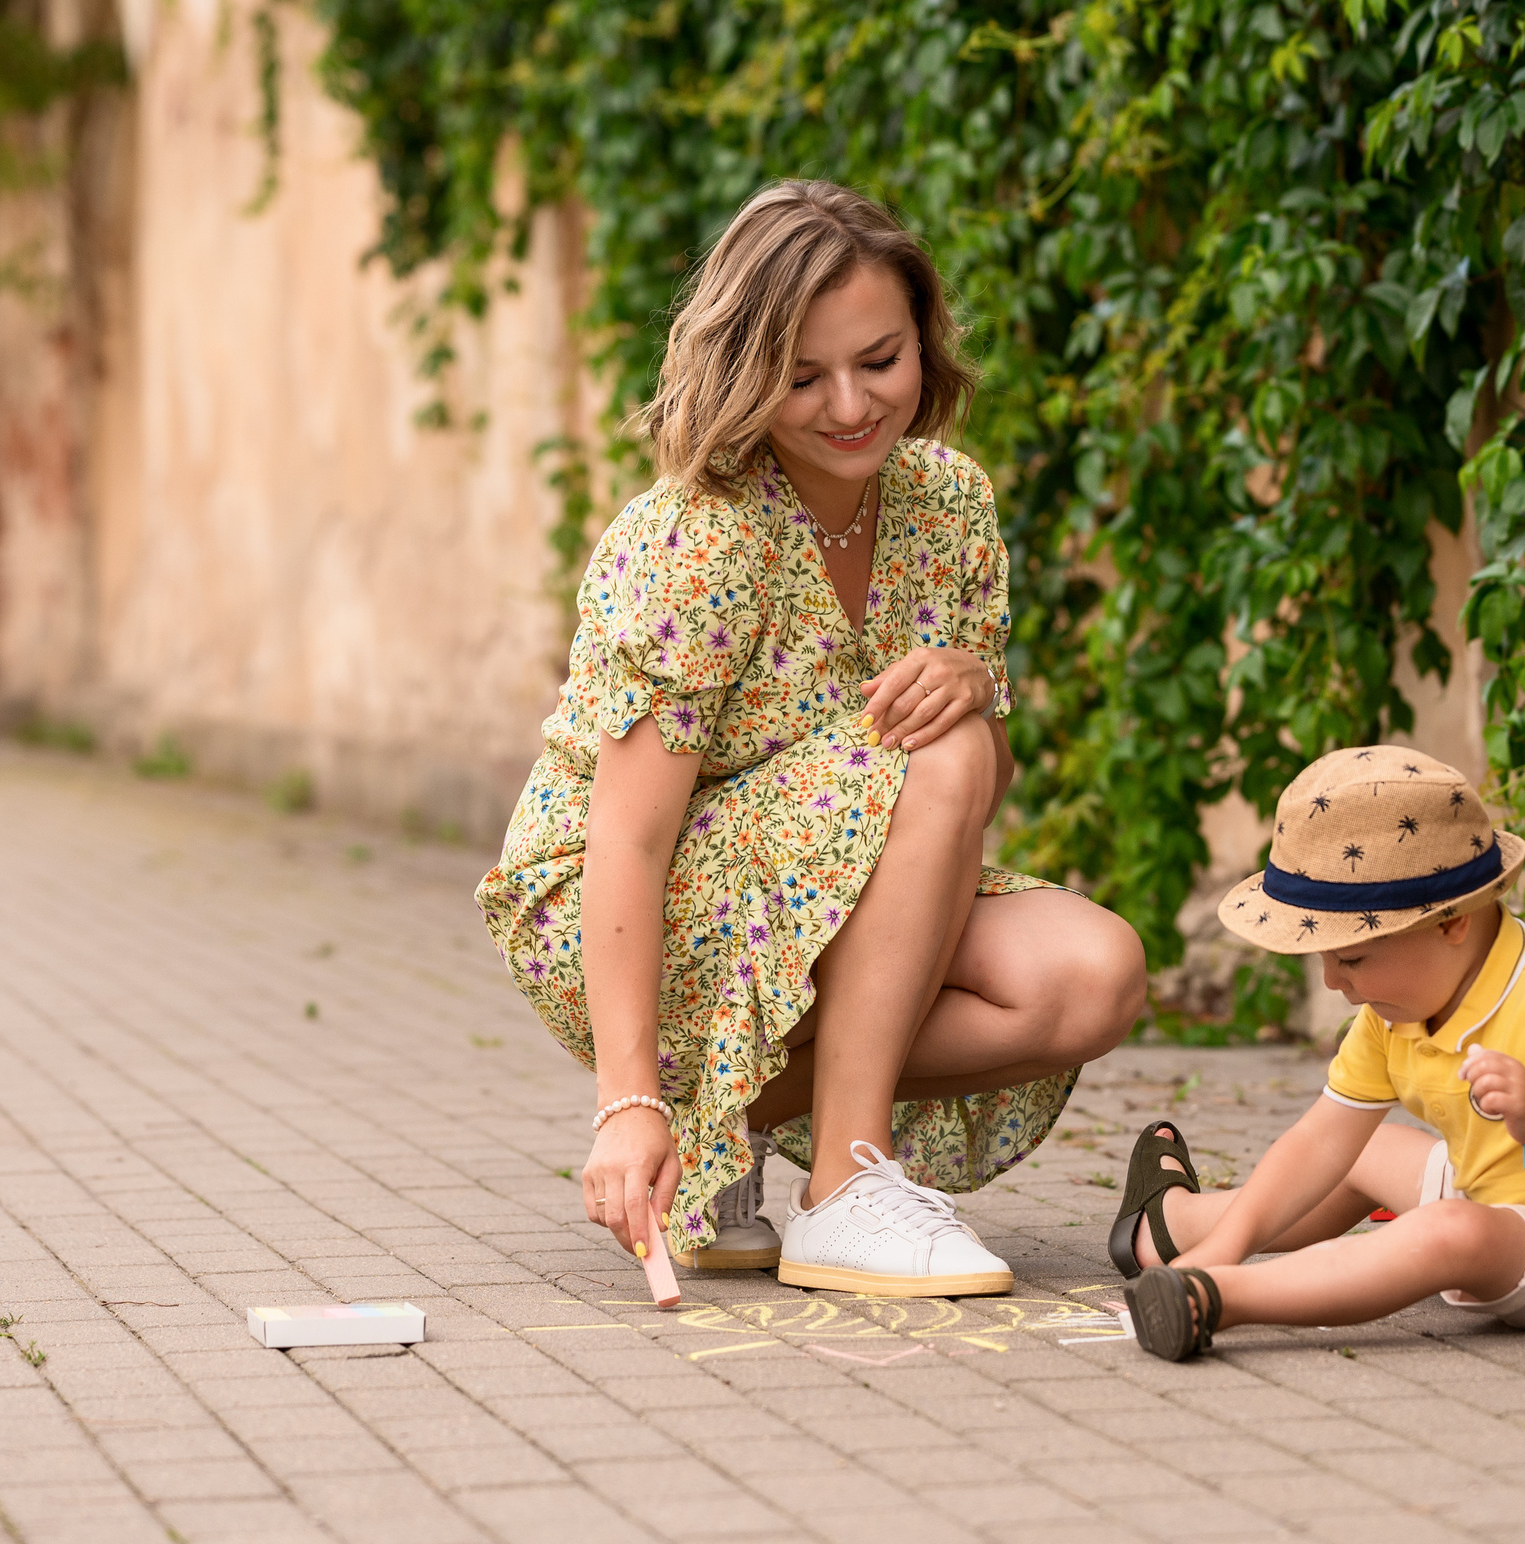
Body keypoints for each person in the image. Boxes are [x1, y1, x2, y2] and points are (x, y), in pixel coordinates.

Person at [478, 181, 1146, 1296]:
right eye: (800, 377)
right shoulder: (703, 538)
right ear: (744, 373)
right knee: (938, 747)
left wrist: (976, 688)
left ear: (923, 341)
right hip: (618, 896)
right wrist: (625, 1099)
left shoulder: (949, 505)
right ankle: (844, 1185)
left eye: (880, 361)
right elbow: (627, 839)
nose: (848, 404)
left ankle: (717, 1148)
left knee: (1091, 978)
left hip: (830, 872)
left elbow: (972, 791)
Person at [1104, 744, 1525, 1357]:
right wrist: (1227, 1246)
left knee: (1447, 1232)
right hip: (1496, 1194)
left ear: (1451, 922)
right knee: (1365, 1148)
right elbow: (1318, 1143)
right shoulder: (1396, 1011)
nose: (1332, 981)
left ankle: (1217, 1299)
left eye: (1352, 957)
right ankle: (1174, 1234)